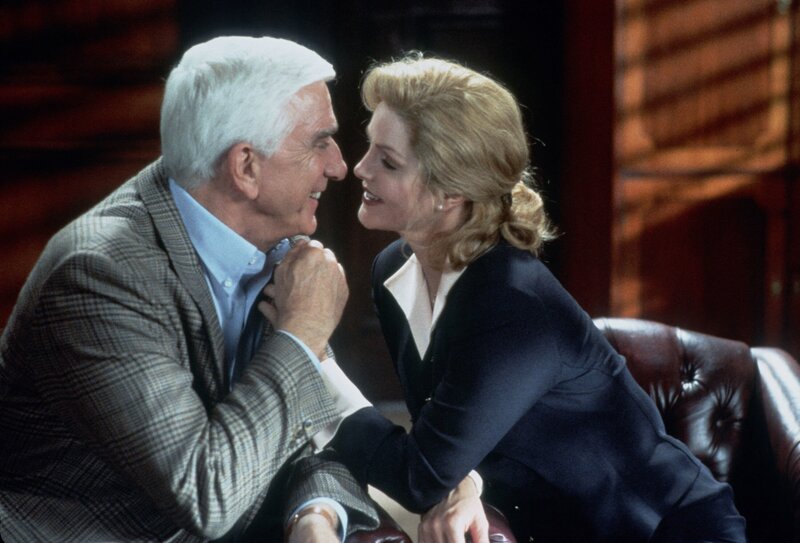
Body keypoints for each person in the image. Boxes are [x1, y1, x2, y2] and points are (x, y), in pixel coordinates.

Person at [315, 54, 748, 542]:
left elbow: (416, 478)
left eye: (388, 161)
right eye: (370, 147)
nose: (360, 168)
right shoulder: (392, 269)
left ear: (450, 192)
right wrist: (467, 480)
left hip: (668, 532)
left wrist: (314, 363)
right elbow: (444, 425)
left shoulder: (514, 306)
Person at [0, 36, 378, 543]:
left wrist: (315, 513)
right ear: (246, 167)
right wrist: (303, 332)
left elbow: (317, 428)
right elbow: (207, 495)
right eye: (318, 142)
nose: (338, 166)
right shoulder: (100, 273)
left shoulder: (271, 242)